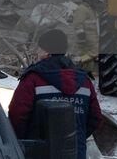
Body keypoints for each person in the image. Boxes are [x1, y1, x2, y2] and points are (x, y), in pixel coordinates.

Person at [7, 29, 101, 159]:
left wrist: (24, 141)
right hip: (75, 152)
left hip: (37, 153)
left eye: (39, 49)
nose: (37, 53)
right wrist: (76, 137)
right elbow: (95, 117)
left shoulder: (33, 79)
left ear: (47, 52)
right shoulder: (84, 80)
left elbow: (17, 114)